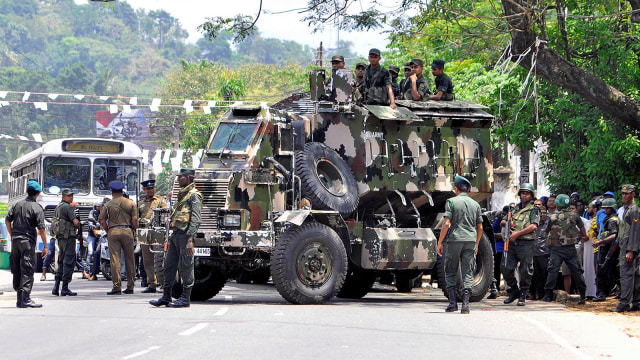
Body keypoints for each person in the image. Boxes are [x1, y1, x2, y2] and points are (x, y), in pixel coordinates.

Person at [150, 168, 202, 308]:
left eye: (182, 177)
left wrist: (190, 239)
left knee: (185, 266)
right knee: (169, 265)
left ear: (189, 178)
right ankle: (166, 296)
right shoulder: (181, 195)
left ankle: (185, 298)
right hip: (176, 234)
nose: (178, 179)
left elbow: (196, 219)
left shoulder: (193, 196)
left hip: (185, 236)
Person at [436, 176, 483, 314]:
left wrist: (440, 242)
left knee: (450, 270)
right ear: (468, 189)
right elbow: (479, 227)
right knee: (468, 272)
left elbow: (446, 223)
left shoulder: (451, 201)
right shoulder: (476, 205)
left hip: (455, 240)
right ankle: (466, 305)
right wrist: (477, 243)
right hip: (470, 241)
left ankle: (452, 303)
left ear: (456, 189)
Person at [5, 180, 48, 308]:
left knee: (17, 268)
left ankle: (20, 298)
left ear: (27, 191)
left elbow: (8, 221)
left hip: (16, 241)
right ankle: (25, 299)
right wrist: (45, 247)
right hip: (27, 242)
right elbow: (42, 229)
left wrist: (12, 234)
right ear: (38, 193)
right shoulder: (37, 208)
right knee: (27, 268)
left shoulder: (18, 204)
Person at [541, 194, 588, 305]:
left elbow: (546, 232)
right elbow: (583, 231)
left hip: (556, 249)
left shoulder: (553, 217)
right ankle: (583, 296)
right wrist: (581, 238)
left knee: (552, 271)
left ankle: (547, 296)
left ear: (558, 204)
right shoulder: (575, 216)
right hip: (571, 249)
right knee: (577, 272)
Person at [501, 182, 540, 306]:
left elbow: (534, 226)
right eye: (522, 193)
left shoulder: (534, 209)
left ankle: (523, 293)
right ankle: (514, 291)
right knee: (505, 267)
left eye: (527, 193)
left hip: (526, 243)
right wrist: (507, 224)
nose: (524, 195)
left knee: (525, 270)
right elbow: (503, 220)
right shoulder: (514, 208)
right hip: (512, 243)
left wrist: (517, 233)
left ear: (531, 195)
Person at [99, 180, 138, 295]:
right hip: (127, 231)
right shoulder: (130, 203)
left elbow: (102, 220)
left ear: (112, 192)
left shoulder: (108, 204)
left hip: (113, 232)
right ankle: (130, 286)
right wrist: (135, 231)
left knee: (115, 260)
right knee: (130, 259)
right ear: (122, 191)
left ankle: (117, 287)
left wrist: (108, 230)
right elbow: (135, 220)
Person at [610, 184, 640, 312]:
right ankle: (636, 302)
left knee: (626, 275)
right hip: (624, 246)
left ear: (633, 194)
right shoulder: (624, 209)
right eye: (623, 193)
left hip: (629, 247)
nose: (624, 195)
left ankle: (624, 303)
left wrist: (630, 251)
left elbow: (635, 231)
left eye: (627, 193)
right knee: (635, 275)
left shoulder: (634, 210)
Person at [138, 179, 168, 293]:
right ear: (144, 190)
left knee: (159, 258)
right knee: (147, 260)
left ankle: (162, 283)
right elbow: (137, 216)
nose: (150, 190)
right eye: (148, 188)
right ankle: (152, 284)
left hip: (158, 232)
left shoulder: (160, 200)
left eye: (152, 188)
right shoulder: (141, 203)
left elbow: (166, 214)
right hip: (145, 233)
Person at [51, 188, 80, 297]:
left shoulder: (58, 207)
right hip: (68, 237)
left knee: (61, 261)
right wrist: (78, 223)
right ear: (63, 196)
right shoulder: (68, 207)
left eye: (71, 195)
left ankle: (56, 287)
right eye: (69, 196)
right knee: (69, 261)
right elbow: (75, 222)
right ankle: (65, 288)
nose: (71, 197)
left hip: (61, 238)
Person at [593, 198, 620, 302]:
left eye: (607, 208)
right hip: (611, 249)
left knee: (602, 271)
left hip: (608, 249)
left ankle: (602, 294)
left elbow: (613, 235)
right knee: (614, 272)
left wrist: (600, 242)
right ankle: (620, 292)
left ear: (611, 208)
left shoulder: (612, 220)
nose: (604, 210)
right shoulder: (612, 219)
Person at [530, 203, 550, 300]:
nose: (543, 215)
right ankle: (532, 294)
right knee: (533, 274)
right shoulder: (533, 223)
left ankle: (543, 295)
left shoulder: (549, 223)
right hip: (533, 252)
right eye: (541, 213)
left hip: (545, 252)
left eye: (544, 213)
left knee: (543, 274)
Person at [488, 205, 509, 299]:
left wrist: (500, 235)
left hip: (506, 248)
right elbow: (492, 231)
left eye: (505, 214)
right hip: (497, 248)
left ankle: (509, 289)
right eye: (503, 213)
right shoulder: (497, 220)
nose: (503, 215)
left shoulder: (510, 221)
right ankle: (495, 289)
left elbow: (507, 234)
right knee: (496, 270)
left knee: (506, 269)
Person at [87, 201, 103, 280]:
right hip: (96, 236)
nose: (99, 208)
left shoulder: (106, 213)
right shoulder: (92, 213)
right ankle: (92, 273)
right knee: (94, 252)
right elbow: (90, 222)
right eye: (98, 206)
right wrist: (95, 229)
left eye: (100, 206)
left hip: (107, 235)